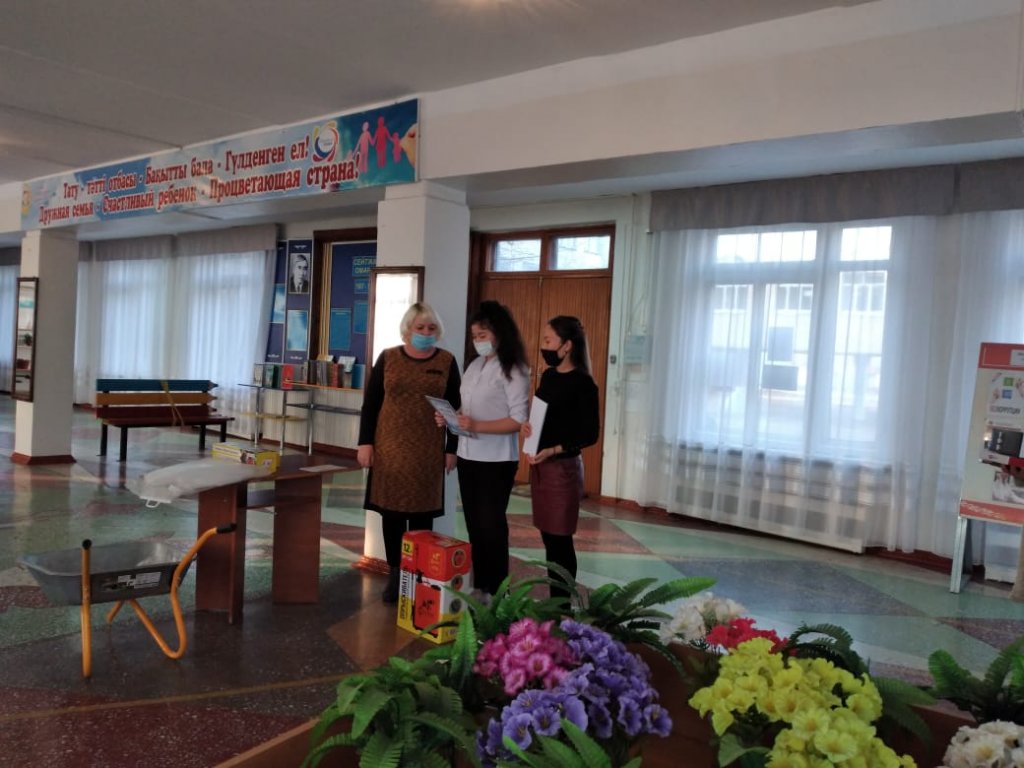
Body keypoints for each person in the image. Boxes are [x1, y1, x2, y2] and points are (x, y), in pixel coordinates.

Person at [358, 302, 461, 602]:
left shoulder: (446, 361)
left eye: (431, 328)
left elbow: (455, 408)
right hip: (388, 449)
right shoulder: (388, 357)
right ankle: (396, 576)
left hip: (427, 452)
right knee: (391, 515)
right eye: (420, 328)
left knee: (421, 517)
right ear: (408, 329)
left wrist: (452, 448)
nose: (426, 333)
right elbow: (371, 403)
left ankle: (418, 577)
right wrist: (365, 443)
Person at [441, 301, 530, 597]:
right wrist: (450, 417)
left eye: (483, 335)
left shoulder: (514, 369)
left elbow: (517, 420)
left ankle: (499, 591)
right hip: (468, 456)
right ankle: (481, 587)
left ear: (500, 333)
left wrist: (476, 425)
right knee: (474, 526)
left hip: (496, 460)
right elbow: (465, 409)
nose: (478, 341)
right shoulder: (474, 365)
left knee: (492, 527)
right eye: (474, 336)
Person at [521, 315, 600, 601]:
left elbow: (590, 434)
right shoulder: (549, 376)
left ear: (566, 346)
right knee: (548, 537)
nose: (543, 346)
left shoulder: (583, 383)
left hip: (562, 470)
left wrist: (554, 449)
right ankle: (556, 602)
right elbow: (542, 416)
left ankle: (562, 604)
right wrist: (528, 428)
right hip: (541, 468)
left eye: (548, 340)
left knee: (560, 540)